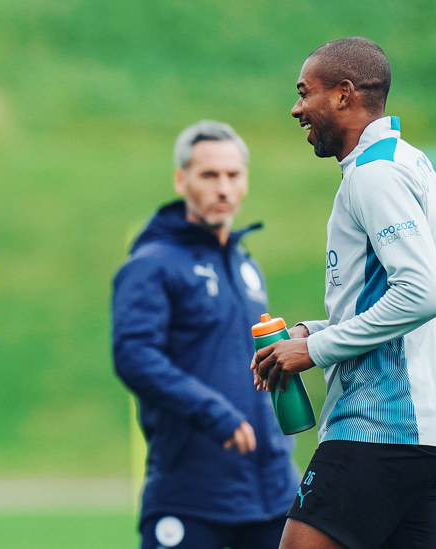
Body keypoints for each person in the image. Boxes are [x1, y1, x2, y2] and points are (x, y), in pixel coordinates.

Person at [251, 37, 436, 549]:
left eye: (306, 93)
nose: (296, 108)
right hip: (431, 436)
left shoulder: (374, 176)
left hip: (378, 430)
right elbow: (392, 304)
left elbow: (422, 294)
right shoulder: (407, 161)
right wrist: (313, 329)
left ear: (344, 94)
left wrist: (315, 349)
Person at [112, 120, 299, 549]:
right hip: (190, 493)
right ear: (181, 180)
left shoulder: (246, 265)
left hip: (270, 490)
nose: (223, 188)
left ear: (246, 180)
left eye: (233, 175)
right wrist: (215, 412)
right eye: (209, 175)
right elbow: (134, 355)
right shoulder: (151, 263)